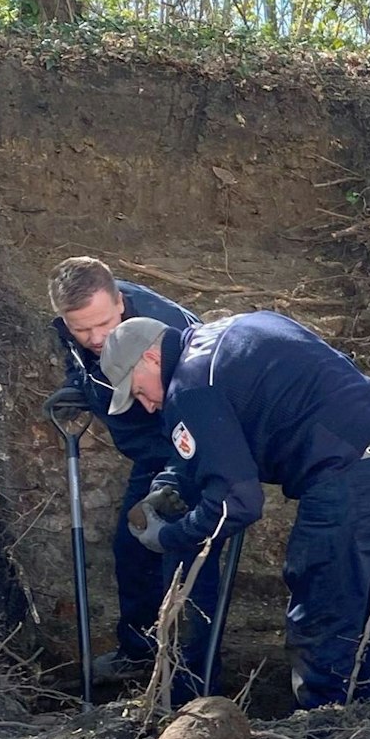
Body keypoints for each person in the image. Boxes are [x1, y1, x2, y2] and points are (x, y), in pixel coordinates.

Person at [95, 311, 370, 708]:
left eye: (138, 390)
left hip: (347, 481)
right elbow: (228, 429)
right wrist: (170, 483)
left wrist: (167, 536)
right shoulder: (225, 335)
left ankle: (331, 738)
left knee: (321, 616)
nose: (146, 406)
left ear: (150, 358)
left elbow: (237, 503)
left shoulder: (188, 387)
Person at [47, 257, 220, 684]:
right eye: (81, 329)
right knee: (132, 546)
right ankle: (139, 653)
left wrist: (179, 473)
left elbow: (199, 399)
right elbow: (80, 359)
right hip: (148, 452)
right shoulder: (74, 327)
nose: (95, 337)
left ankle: (190, 671)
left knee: (182, 556)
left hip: (188, 447)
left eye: (103, 324)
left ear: (120, 302)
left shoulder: (167, 331)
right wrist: (78, 384)